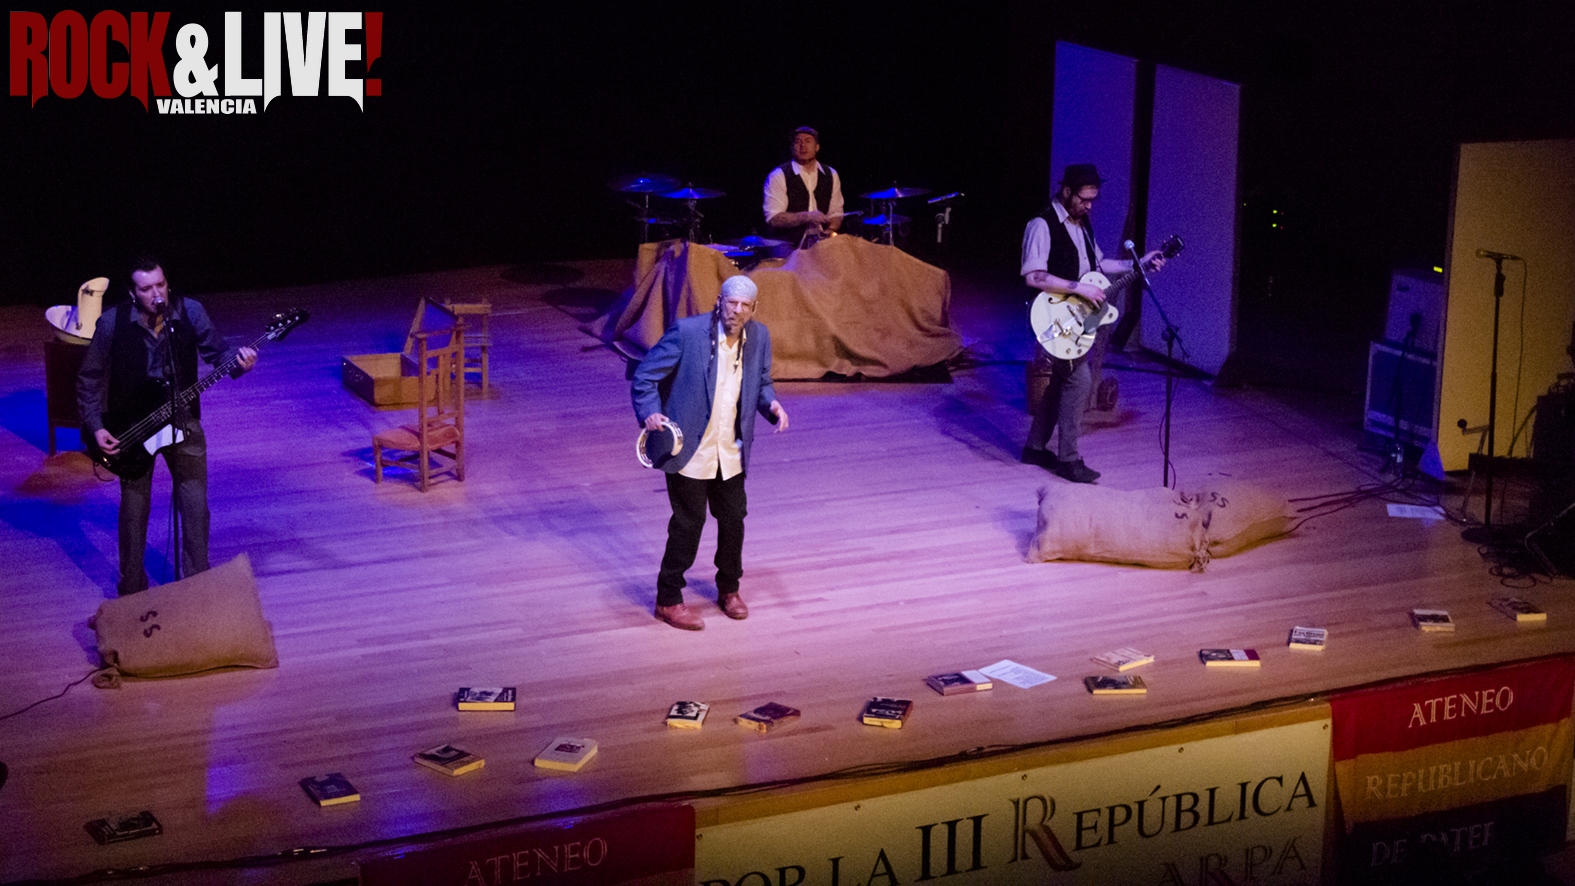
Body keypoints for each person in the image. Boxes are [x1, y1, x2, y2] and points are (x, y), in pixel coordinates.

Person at [76, 256, 257, 595]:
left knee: (195, 504)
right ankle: (132, 588)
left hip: (182, 420)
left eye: (161, 285)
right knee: (134, 509)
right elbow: (89, 378)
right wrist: (96, 425)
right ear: (133, 293)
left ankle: (197, 585)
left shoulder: (190, 312)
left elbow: (218, 354)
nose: (157, 294)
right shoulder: (113, 322)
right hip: (133, 427)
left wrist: (239, 363)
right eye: (146, 289)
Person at [631, 276, 789, 630]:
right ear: (720, 301)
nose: (737, 310)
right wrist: (650, 412)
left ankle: (729, 589)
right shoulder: (687, 333)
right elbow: (645, 376)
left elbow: (762, 382)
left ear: (754, 308)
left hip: (730, 451)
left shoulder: (759, 337)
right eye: (731, 302)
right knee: (689, 524)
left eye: (744, 305)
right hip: (690, 448)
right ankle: (668, 599)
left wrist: (772, 405)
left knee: (733, 520)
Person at [1021, 164, 1163, 483]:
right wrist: (1079, 288)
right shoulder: (1042, 224)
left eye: (1092, 200)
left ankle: (1034, 447)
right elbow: (1034, 276)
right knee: (1079, 379)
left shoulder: (1082, 224)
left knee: (1063, 379)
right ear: (1066, 191)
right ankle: (1069, 459)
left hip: (1072, 314)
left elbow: (1100, 264)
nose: (1088, 206)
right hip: (1049, 315)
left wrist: (1138, 264)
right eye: (1083, 199)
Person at [762, 126, 845, 249]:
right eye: (798, 142)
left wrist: (830, 230)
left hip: (821, 245)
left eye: (808, 141)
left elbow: (836, 212)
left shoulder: (831, 174)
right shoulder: (778, 175)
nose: (803, 146)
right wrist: (807, 216)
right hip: (788, 246)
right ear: (792, 148)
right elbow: (774, 218)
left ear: (817, 147)